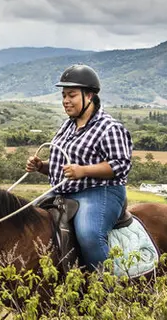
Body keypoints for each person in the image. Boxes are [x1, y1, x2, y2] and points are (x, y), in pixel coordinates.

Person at [24, 64, 133, 273]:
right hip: (63, 192)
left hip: (101, 192)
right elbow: (65, 169)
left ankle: (108, 289)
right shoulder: (68, 125)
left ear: (89, 96)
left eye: (71, 95)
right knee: (28, 221)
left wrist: (83, 171)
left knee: (89, 235)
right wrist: (41, 166)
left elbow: (121, 165)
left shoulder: (110, 127)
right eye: (64, 95)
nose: (66, 101)